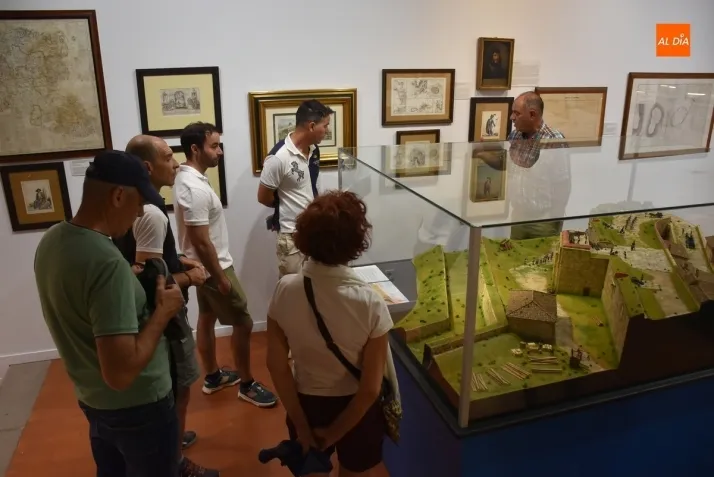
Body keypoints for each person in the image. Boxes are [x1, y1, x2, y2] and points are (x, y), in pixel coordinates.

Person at [34, 150, 185, 477]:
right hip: (138, 406)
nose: (140, 211)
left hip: (92, 399)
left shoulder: (53, 240)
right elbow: (120, 373)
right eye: (139, 202)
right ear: (118, 195)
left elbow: (81, 305)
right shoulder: (106, 262)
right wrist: (163, 312)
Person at [266, 190, 397, 477]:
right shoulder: (369, 302)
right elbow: (370, 389)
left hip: (306, 403)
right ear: (356, 242)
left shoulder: (284, 290)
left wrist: (302, 427)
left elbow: (276, 365)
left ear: (303, 236)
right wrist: (334, 434)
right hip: (356, 409)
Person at [112, 135, 219, 477]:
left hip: (152, 315)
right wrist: (192, 277)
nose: (175, 164)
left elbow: (148, 261)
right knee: (180, 386)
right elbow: (150, 279)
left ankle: (171, 441)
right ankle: (174, 460)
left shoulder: (137, 207)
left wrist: (178, 261)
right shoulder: (151, 213)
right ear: (147, 167)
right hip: (164, 317)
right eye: (167, 157)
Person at [173, 121, 277, 407]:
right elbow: (201, 240)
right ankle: (247, 384)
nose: (220, 152)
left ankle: (213, 377)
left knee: (206, 317)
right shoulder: (193, 188)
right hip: (212, 267)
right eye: (214, 146)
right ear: (195, 149)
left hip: (200, 266)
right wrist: (219, 276)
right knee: (243, 322)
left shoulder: (189, 180)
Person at [257, 99, 334, 277]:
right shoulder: (278, 158)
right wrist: (286, 206)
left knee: (315, 285)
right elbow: (263, 197)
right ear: (312, 126)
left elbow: (312, 186)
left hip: (313, 232)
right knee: (292, 287)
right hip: (291, 237)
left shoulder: (314, 150)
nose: (327, 130)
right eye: (325, 126)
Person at [508, 91, 571, 240]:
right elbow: (510, 168)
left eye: (517, 113)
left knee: (541, 254)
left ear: (532, 114)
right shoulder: (515, 136)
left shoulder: (553, 139)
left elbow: (562, 184)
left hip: (543, 220)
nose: (512, 117)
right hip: (519, 215)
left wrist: (554, 222)